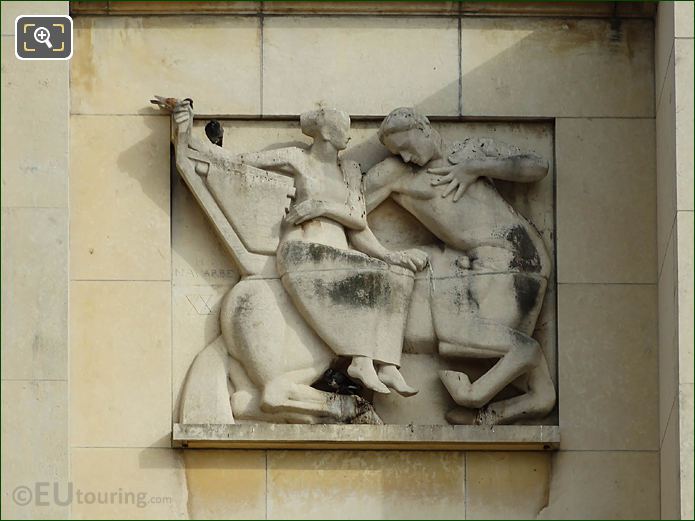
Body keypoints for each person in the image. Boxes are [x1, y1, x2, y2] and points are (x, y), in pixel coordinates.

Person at [173, 103, 427, 396]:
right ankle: (361, 359)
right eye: (344, 127)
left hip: (341, 256)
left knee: (395, 276)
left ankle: (387, 365)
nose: (349, 134)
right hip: (303, 252)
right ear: (328, 133)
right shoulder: (298, 159)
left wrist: (386, 254)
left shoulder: (351, 171)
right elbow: (239, 161)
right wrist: (186, 136)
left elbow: (358, 220)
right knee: (362, 271)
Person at [363, 107, 555, 423]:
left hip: (519, 259)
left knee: (487, 340)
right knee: (536, 387)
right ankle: (491, 411)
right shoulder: (396, 173)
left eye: (408, 147)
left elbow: (538, 166)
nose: (407, 158)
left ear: (423, 128)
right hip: (485, 263)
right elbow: (352, 207)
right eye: (399, 153)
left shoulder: (470, 150)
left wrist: (475, 168)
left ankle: (474, 395)